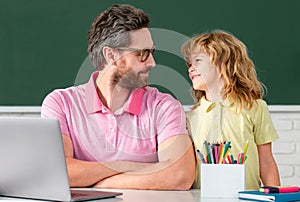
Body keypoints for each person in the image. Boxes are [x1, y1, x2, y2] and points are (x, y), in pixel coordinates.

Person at [41, 4, 195, 190]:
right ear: (111, 54)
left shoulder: (165, 107)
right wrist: (126, 166)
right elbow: (57, 173)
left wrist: (97, 183)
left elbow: (180, 175)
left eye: (151, 53)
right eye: (142, 54)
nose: (152, 63)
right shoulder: (60, 103)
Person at [181, 30, 280, 190]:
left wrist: (276, 197)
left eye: (197, 61)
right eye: (189, 64)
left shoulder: (255, 108)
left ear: (223, 63)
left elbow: (267, 161)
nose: (190, 68)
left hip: (247, 198)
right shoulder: (190, 117)